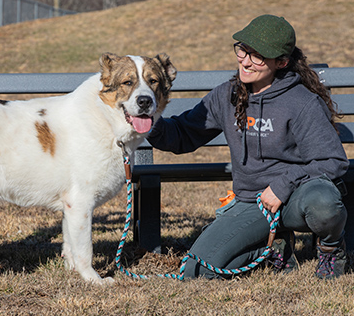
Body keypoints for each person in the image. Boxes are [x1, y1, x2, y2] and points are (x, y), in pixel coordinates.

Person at [148, 14, 349, 279]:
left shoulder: (302, 102)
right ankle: (272, 249)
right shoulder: (227, 95)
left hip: (298, 197)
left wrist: (282, 185)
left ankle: (332, 250)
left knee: (324, 202)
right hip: (253, 202)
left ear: (281, 62)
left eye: (257, 56)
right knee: (196, 272)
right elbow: (183, 134)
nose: (245, 60)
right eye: (243, 50)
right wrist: (146, 121)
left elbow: (332, 161)